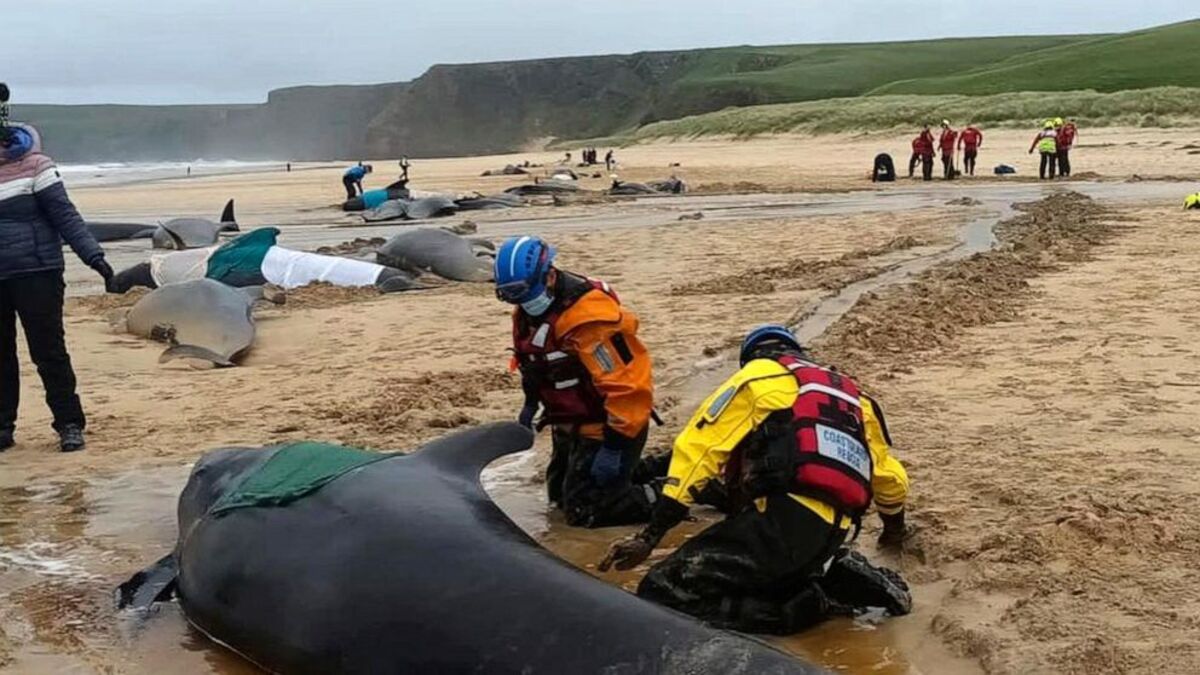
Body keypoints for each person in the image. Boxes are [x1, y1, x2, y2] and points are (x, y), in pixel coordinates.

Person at [600, 325, 912, 634]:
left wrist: (649, 537)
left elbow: (698, 451)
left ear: (751, 357)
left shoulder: (756, 377)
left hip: (780, 522)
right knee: (764, 570)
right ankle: (828, 572)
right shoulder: (855, 398)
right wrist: (893, 531)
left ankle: (813, 603)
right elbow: (890, 478)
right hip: (833, 531)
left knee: (663, 589)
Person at [494, 236, 658, 528]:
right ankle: (639, 473)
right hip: (570, 422)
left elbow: (628, 386)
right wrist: (531, 405)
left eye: (522, 293)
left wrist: (615, 446)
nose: (519, 301)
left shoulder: (589, 322)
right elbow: (533, 363)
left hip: (610, 425)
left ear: (551, 276)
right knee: (558, 499)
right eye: (509, 295)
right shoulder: (528, 310)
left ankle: (670, 494)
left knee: (587, 512)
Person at [1, 117, 114, 453]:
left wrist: (93, 256)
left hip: (38, 271)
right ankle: (3, 427)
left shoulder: (35, 165)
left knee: (48, 352)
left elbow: (65, 215)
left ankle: (69, 424)